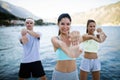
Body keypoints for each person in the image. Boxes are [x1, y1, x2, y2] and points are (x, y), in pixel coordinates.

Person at [51, 13, 82, 80]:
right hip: (59, 75)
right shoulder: (55, 39)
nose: (65, 27)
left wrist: (77, 35)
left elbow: (84, 37)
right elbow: (61, 44)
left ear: (70, 25)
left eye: (68, 24)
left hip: (73, 74)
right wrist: (71, 54)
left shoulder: (74, 38)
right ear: (58, 24)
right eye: (62, 24)